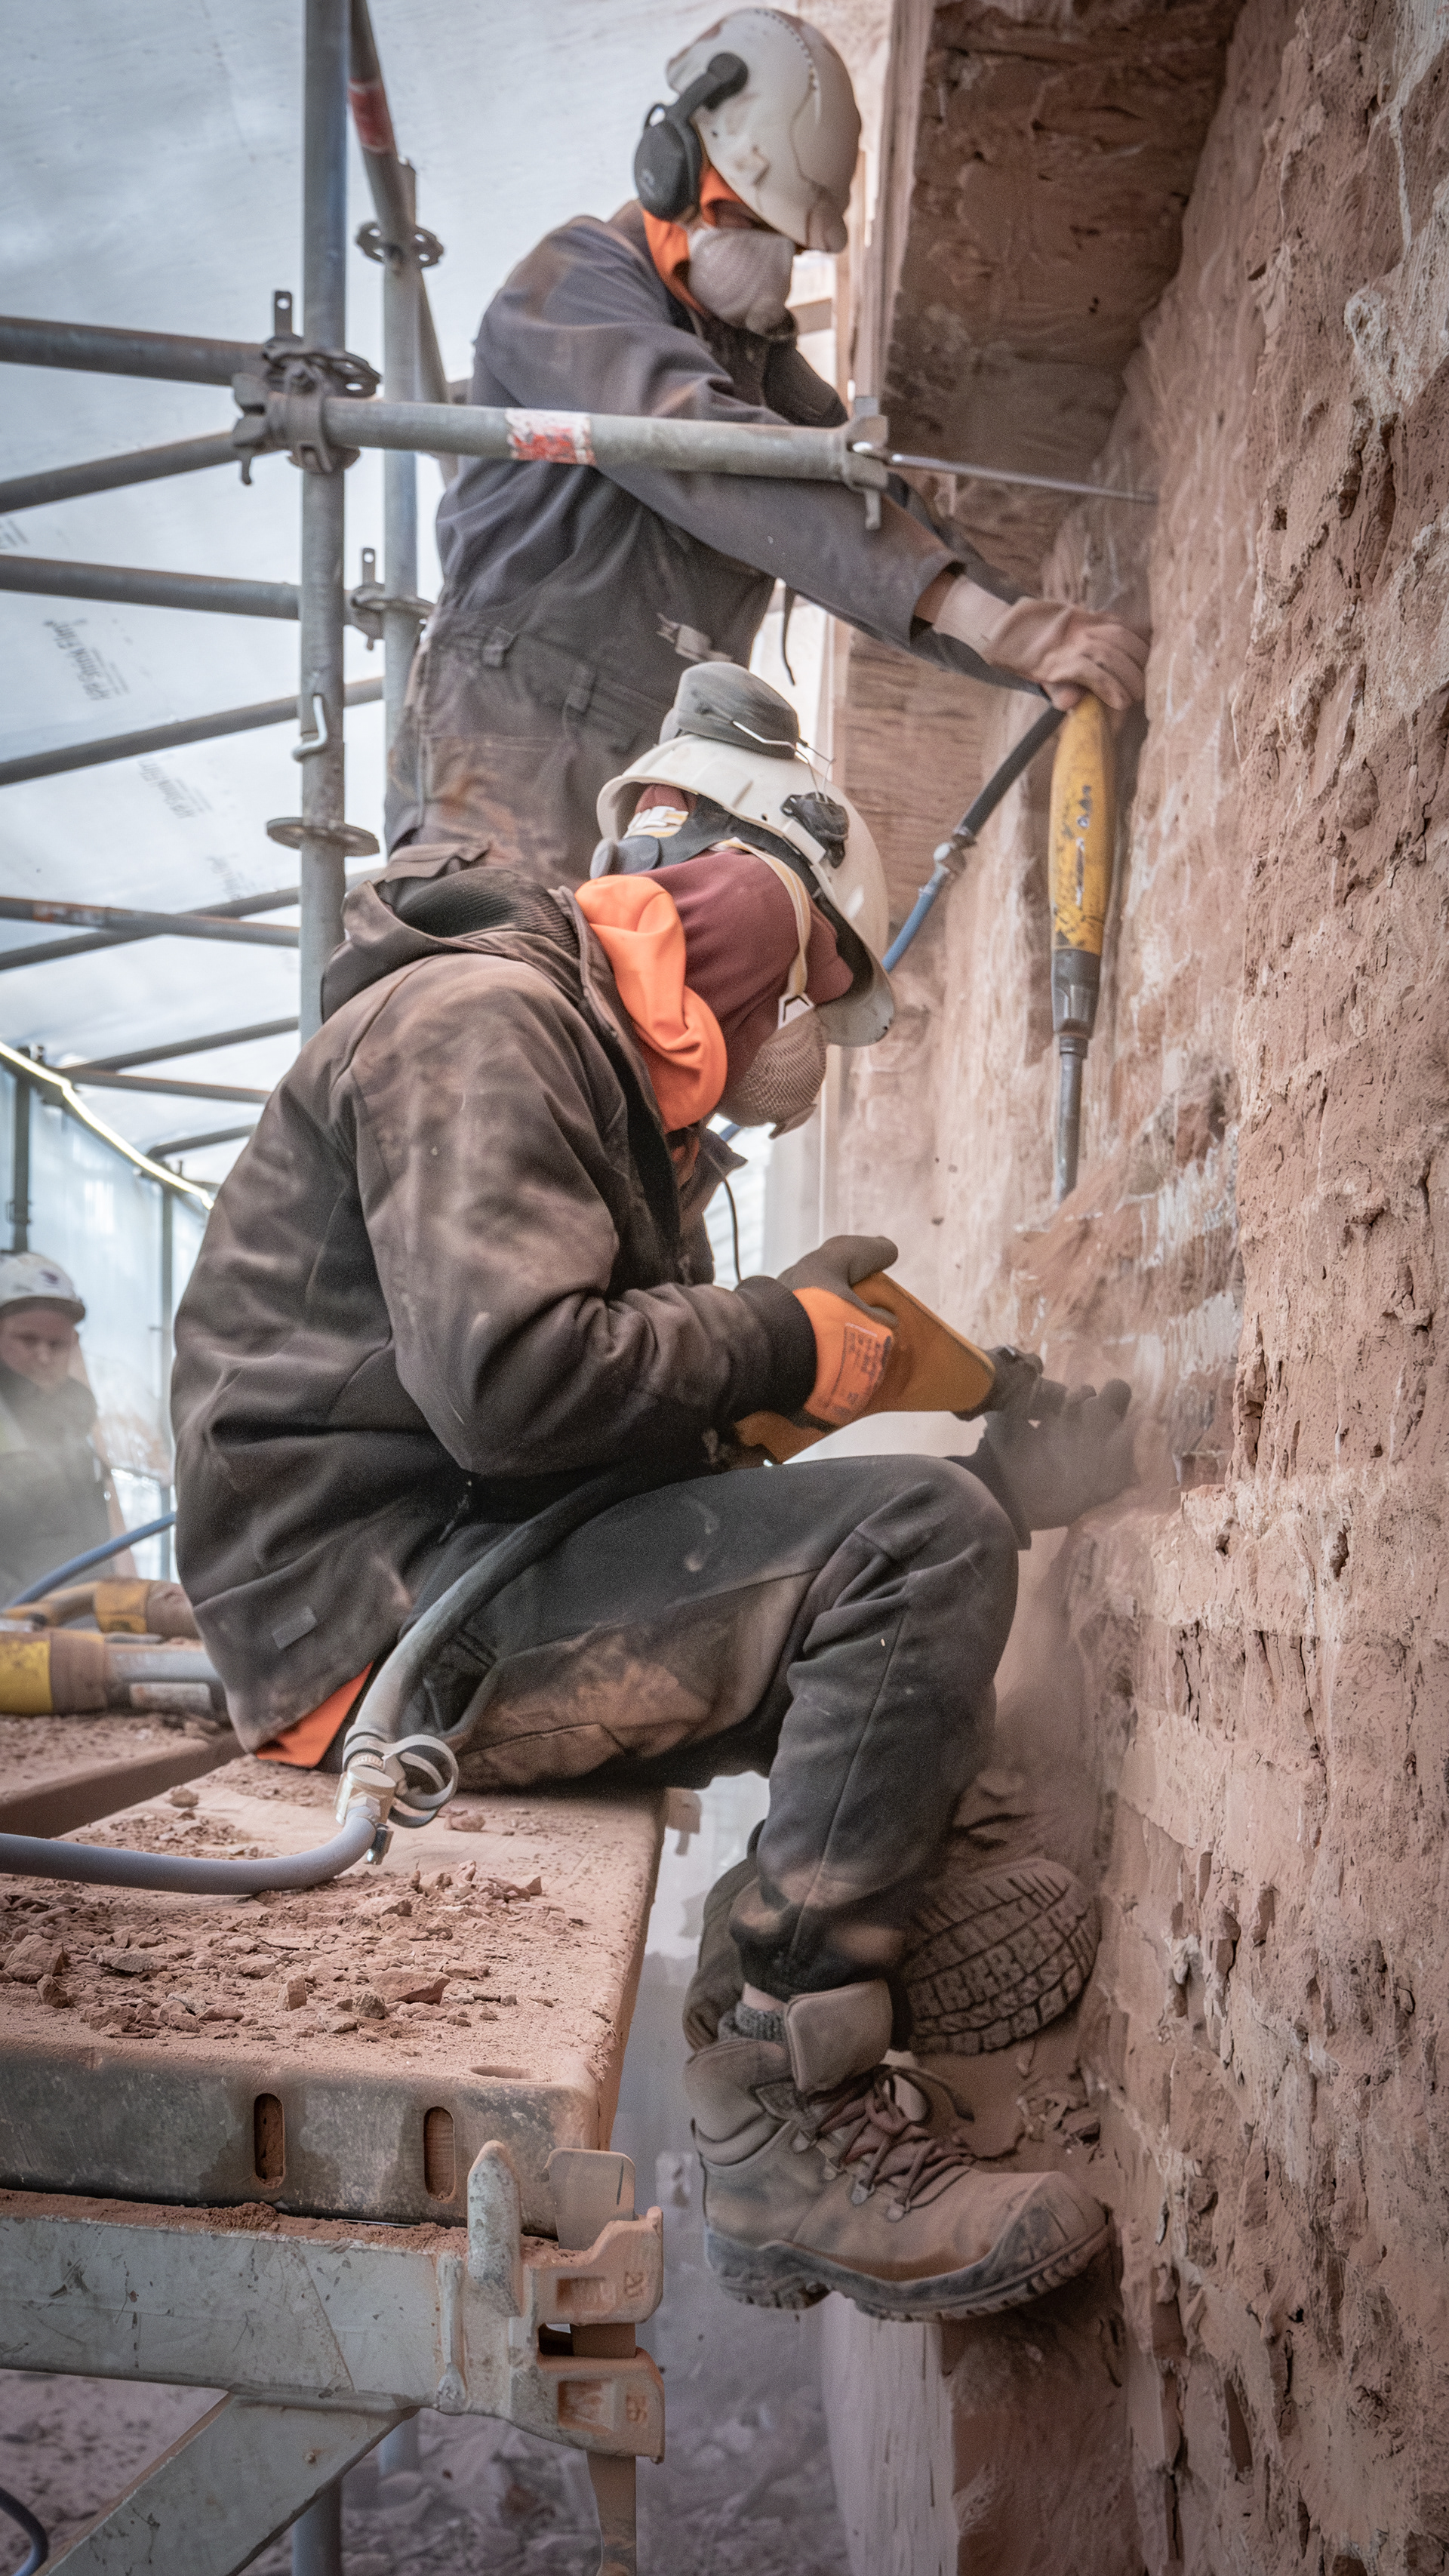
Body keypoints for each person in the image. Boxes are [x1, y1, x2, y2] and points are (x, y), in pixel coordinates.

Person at [174, 664, 1137, 2319]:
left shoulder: (593, 1074)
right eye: (807, 980)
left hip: (448, 1563)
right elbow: (512, 1378)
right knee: (911, 1549)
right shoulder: (485, 1023)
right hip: (381, 1618)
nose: (796, 1027)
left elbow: (617, 1454)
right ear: (742, 907)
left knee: (923, 1535)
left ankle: (808, 1957)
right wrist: (772, 1335)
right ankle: (788, 2114)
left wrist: (912, 1418)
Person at [387, 5, 1149, 879]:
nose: (770, 258)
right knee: (500, 974)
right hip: (509, 723)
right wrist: (1009, 629)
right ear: (671, 164)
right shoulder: (567, 289)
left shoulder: (753, 365)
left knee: (629, 1005)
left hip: (654, 755)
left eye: (785, 239)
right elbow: (720, 464)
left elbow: (868, 510)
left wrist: (1029, 642)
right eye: (741, 216)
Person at [0, 1252, 116, 1604]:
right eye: (28, 1340)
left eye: (57, 1344)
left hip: (77, 1627)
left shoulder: (75, 1427)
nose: (44, 1357)